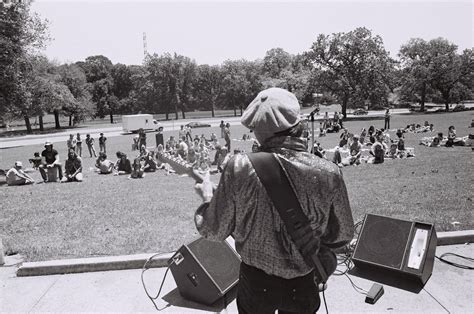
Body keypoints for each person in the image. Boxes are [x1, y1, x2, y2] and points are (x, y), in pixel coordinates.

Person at [192, 87, 354, 313]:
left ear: (257, 130)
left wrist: (208, 196)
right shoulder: (329, 171)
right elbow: (343, 234)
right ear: (296, 123)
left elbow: (214, 231)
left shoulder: (238, 167)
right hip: (304, 280)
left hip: (256, 282)